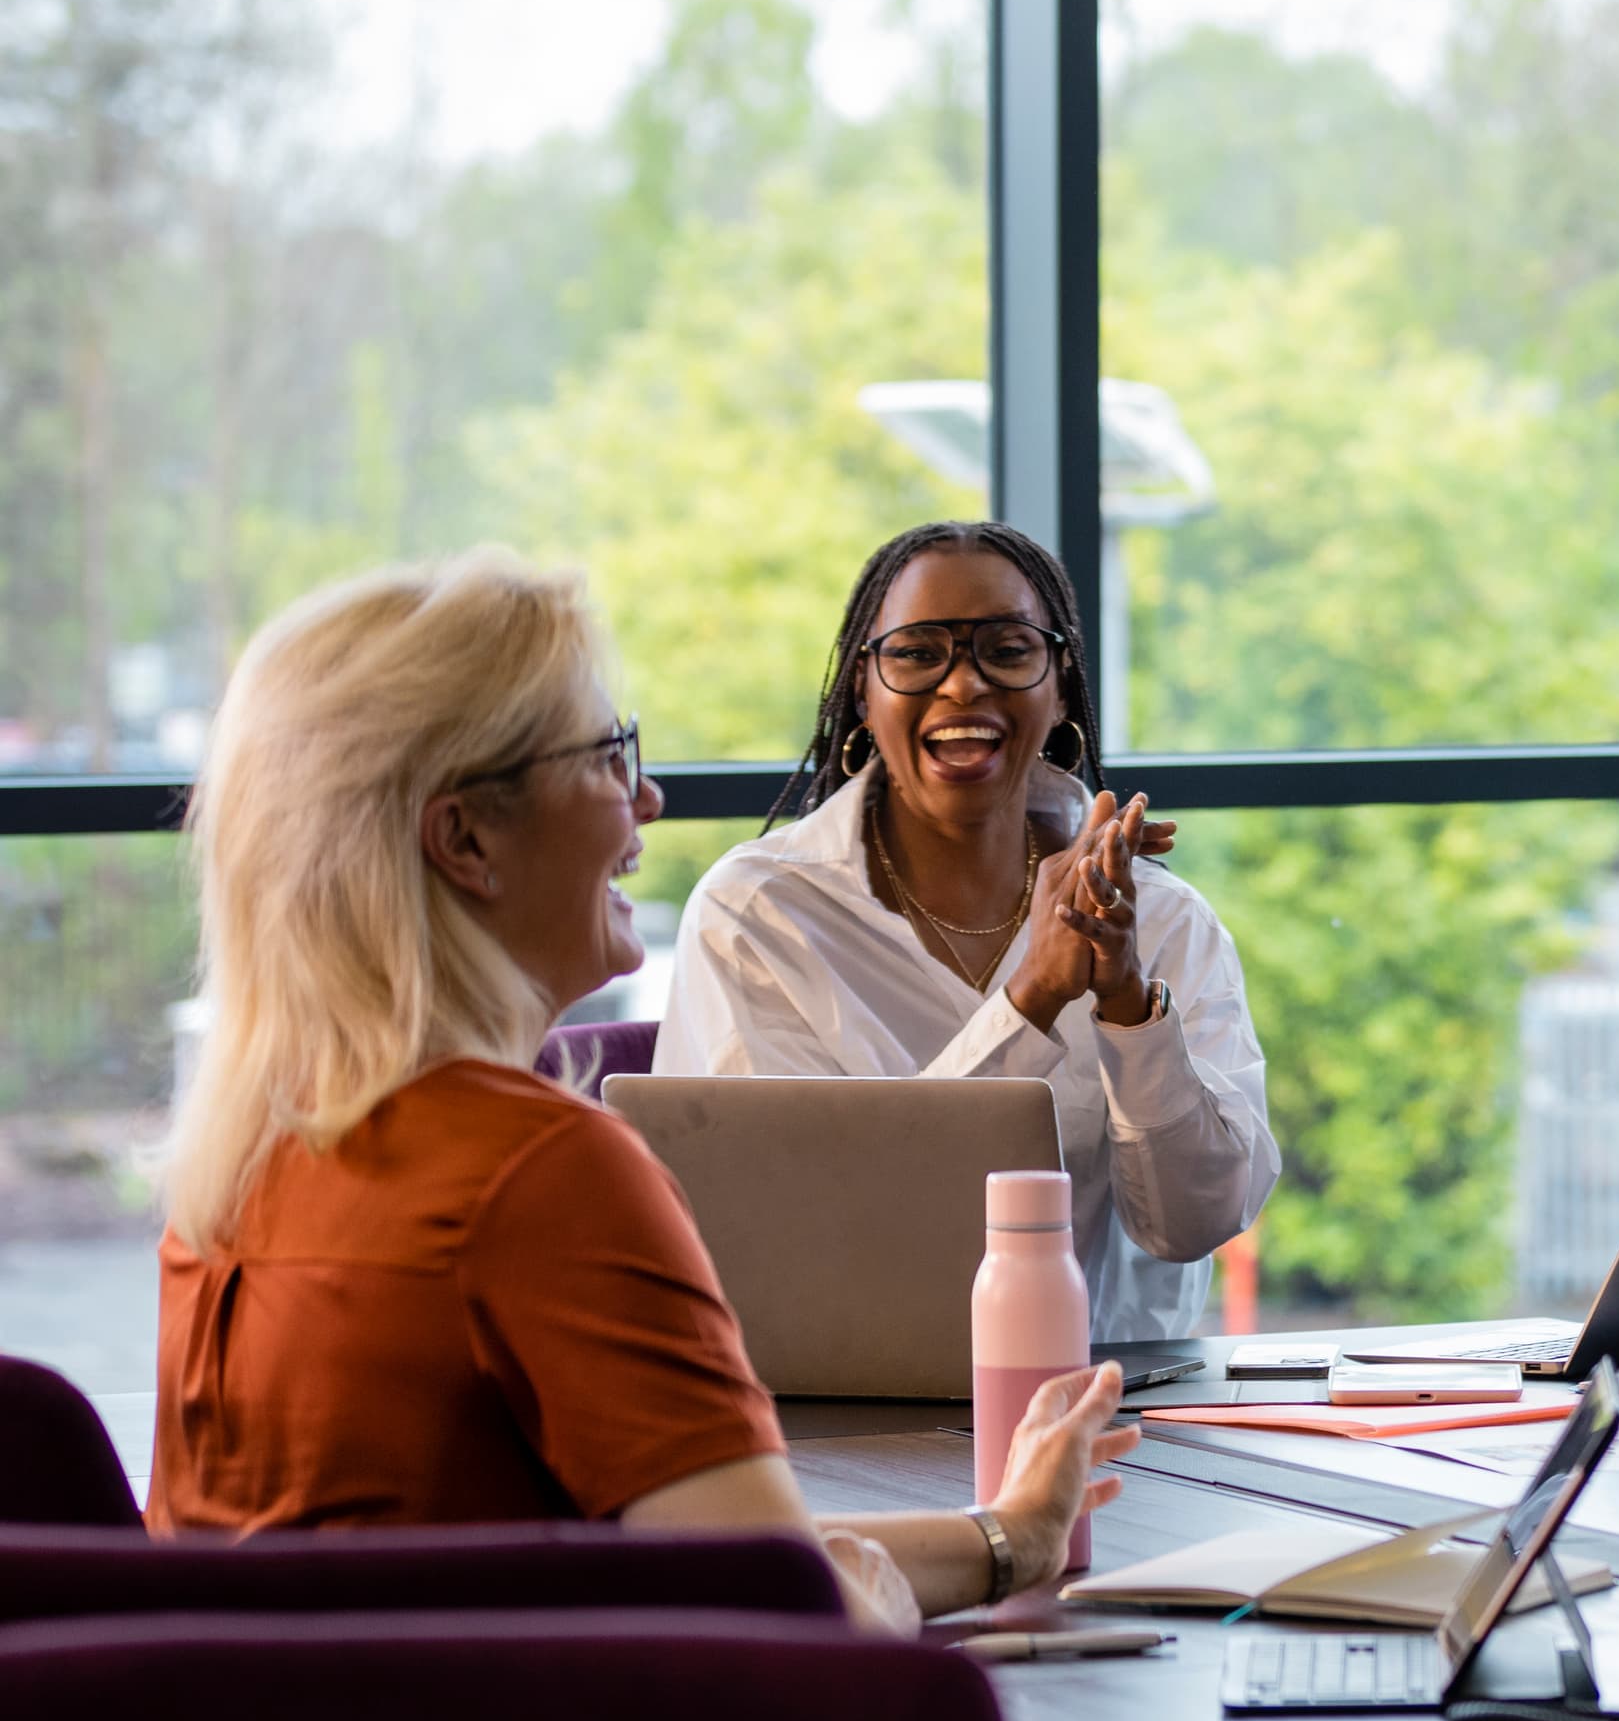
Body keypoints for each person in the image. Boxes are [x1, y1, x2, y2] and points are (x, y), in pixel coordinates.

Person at [154, 551, 1131, 1630]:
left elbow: (710, 1558)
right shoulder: (536, 1174)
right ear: (466, 838)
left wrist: (1006, 1536)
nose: (649, 798)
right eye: (607, 755)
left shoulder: (246, 1159)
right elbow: (779, 1617)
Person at [657, 521, 1280, 1342]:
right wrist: (1032, 998)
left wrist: (1128, 1006)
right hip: (847, 1419)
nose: (963, 686)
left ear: (1059, 687)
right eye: (917, 653)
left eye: (1008, 649)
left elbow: (1195, 1224)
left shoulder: (1161, 920)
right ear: (862, 690)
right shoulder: (759, 917)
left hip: (1119, 1412)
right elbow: (814, 1236)